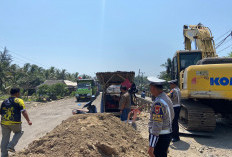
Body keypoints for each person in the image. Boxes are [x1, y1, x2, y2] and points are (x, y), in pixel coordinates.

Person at [0, 88, 32, 157]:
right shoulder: (19, 101)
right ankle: (11, 146)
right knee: (19, 132)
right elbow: (23, 111)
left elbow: (1, 112)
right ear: (17, 93)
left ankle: (3, 155)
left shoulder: (4, 101)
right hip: (15, 122)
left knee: (5, 139)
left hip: (4, 123)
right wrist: (28, 120)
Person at [147, 77, 174, 157]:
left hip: (160, 137)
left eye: (150, 87)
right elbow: (172, 115)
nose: (150, 89)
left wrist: (151, 146)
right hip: (167, 133)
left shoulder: (158, 103)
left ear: (153, 88)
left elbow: (157, 125)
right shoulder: (166, 98)